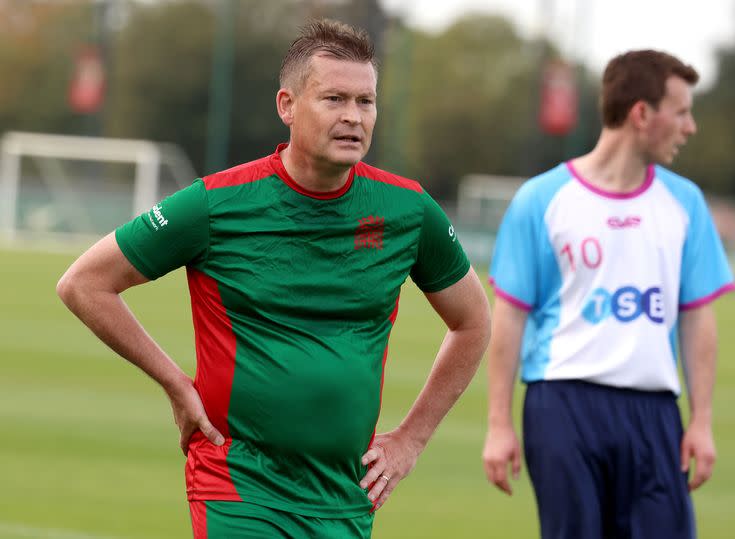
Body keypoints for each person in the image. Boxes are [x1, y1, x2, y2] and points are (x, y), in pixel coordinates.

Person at [57, 19, 490, 538]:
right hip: (238, 483)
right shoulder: (217, 204)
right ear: (287, 105)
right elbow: (84, 283)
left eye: (365, 102)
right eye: (334, 99)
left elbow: (473, 320)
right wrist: (175, 382)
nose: (353, 117)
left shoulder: (407, 210)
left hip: (344, 497)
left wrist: (412, 439)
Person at [482, 49, 735, 539]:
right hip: (562, 407)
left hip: (655, 413)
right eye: (681, 112)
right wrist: (498, 424)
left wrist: (700, 421)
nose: (690, 127)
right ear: (642, 113)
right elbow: (509, 317)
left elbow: (698, 317)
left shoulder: (685, 203)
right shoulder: (542, 199)